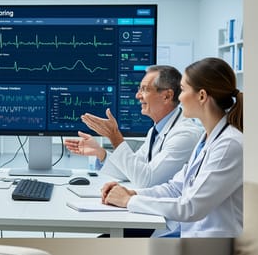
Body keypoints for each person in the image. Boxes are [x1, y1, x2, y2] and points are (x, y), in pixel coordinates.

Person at [101, 57, 243, 237]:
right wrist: (132, 192)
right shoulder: (207, 138)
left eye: (182, 90)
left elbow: (191, 207)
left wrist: (130, 201)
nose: (179, 97)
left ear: (201, 96)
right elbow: (175, 188)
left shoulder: (229, 144)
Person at [64, 65, 202, 188]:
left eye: (144, 89)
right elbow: (131, 171)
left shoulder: (185, 135)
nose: (138, 96)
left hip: (169, 214)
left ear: (167, 96)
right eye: (139, 89)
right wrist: (100, 153)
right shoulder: (155, 131)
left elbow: (146, 180)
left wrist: (115, 137)